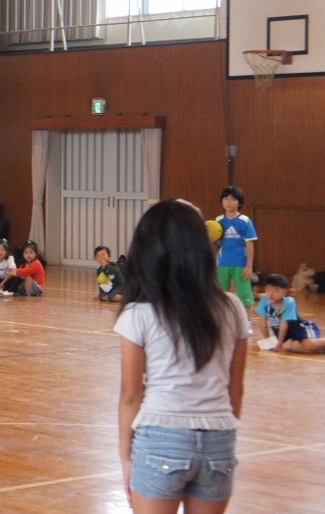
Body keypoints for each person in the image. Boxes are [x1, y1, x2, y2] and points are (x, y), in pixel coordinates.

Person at [115, 200, 249, 514]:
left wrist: (125, 457)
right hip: (219, 437)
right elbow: (236, 389)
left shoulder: (138, 313)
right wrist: (221, 435)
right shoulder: (232, 307)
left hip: (160, 436)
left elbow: (131, 395)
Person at [216, 186, 257, 332]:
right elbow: (215, 242)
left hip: (240, 263)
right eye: (226, 199)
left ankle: (247, 323)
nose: (229, 202)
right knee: (220, 295)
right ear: (222, 201)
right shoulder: (218, 221)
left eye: (233, 199)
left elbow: (250, 244)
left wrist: (249, 266)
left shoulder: (245, 221)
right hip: (222, 263)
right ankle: (221, 323)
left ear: (239, 202)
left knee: (245, 295)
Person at [256, 274, 325, 353]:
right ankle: (324, 350)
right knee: (294, 346)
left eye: (276, 290)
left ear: (284, 292)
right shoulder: (265, 299)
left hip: (302, 328)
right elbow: (262, 323)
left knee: (309, 345)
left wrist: (279, 344)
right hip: (292, 334)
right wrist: (267, 341)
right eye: (268, 289)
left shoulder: (289, 302)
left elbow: (284, 324)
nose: (271, 294)